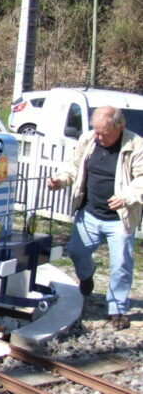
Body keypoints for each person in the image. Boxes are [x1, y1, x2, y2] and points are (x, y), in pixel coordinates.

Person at [47, 105, 143, 330]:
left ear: (120, 127)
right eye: (96, 131)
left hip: (120, 218)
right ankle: (87, 275)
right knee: (77, 252)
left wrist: (126, 197)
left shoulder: (136, 146)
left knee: (121, 264)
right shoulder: (88, 140)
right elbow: (73, 166)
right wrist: (60, 180)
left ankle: (117, 308)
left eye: (104, 133)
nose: (98, 137)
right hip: (89, 212)